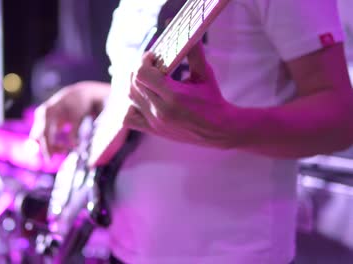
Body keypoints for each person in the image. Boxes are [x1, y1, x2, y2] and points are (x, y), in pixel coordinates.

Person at [30, 0, 353, 263]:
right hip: (125, 247)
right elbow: (147, 94)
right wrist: (88, 94)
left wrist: (228, 129)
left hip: (232, 254)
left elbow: (342, 121)